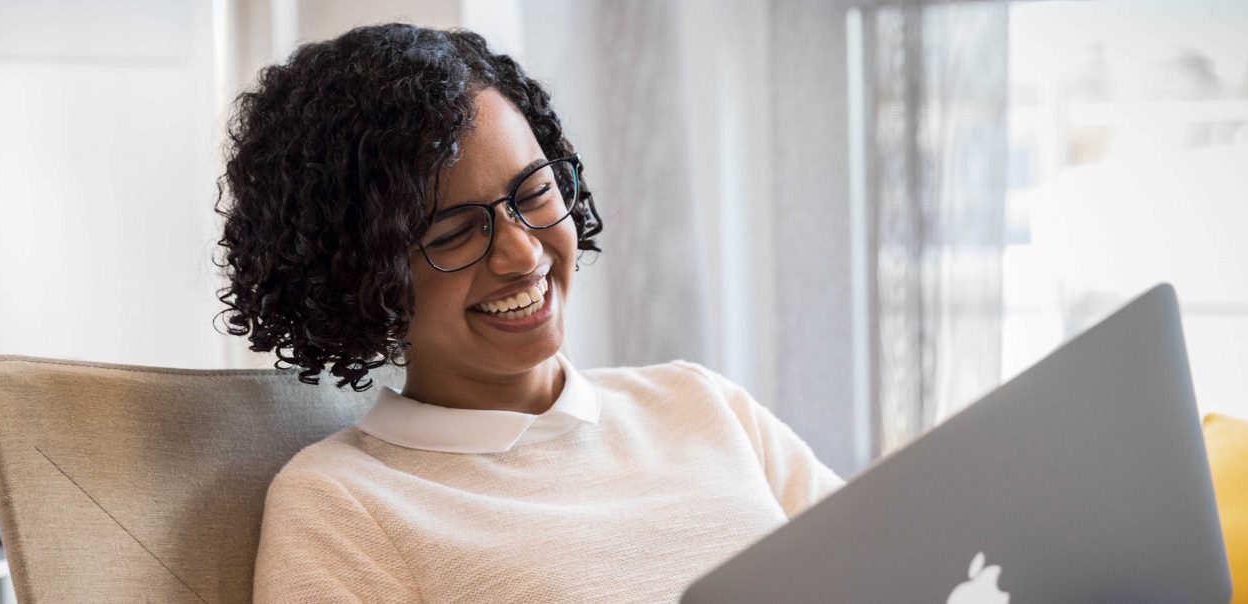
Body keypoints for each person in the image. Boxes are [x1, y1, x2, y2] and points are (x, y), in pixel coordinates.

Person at [216, 23, 842, 603]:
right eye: (455, 233)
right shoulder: (342, 504)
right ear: (358, 279)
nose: (522, 253)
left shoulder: (702, 406)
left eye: (535, 192)